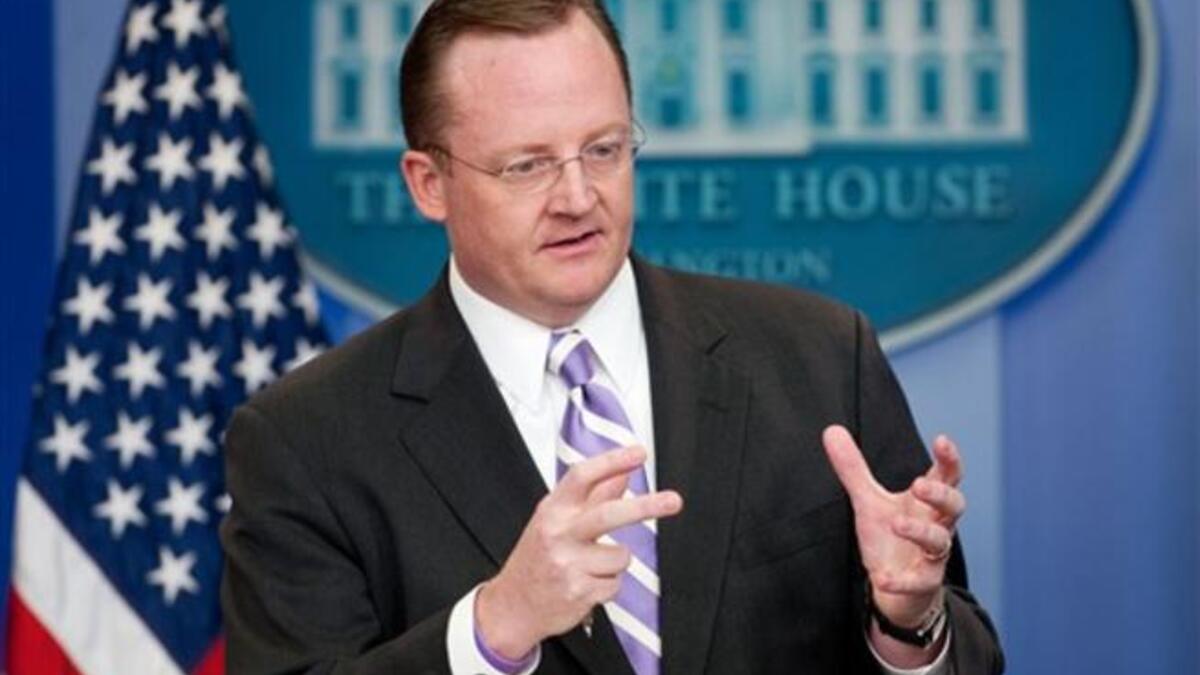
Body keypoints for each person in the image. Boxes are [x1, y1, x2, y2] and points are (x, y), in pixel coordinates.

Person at [219, 1, 1004, 673]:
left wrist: (909, 623)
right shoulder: (305, 441)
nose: (577, 196)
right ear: (429, 182)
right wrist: (491, 629)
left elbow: (960, 653)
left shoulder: (820, 358)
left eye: (603, 149)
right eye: (526, 166)